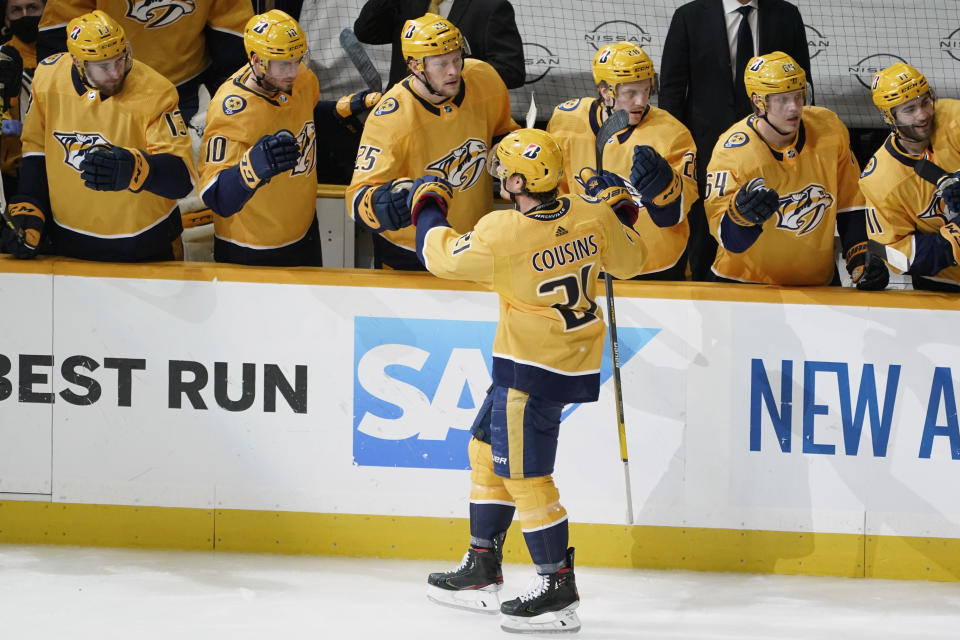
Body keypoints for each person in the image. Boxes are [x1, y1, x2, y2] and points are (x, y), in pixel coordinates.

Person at [410, 128, 647, 634]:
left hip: (532, 369)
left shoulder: (503, 232)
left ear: (519, 179)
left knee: (524, 476)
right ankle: (482, 565)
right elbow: (633, 262)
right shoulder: (591, 213)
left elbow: (439, 257)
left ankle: (557, 586)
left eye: (504, 169)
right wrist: (622, 210)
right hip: (562, 360)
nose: (499, 175)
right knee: (483, 450)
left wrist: (426, 203)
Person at [2, 9, 195, 262]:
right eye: (103, 65)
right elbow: (37, 148)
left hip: (147, 246)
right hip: (70, 244)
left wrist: (136, 168)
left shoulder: (156, 91)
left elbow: (182, 178)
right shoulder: (47, 77)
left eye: (120, 59)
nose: (115, 72)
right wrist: (30, 205)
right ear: (77, 62)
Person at [198, 9, 381, 267]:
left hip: (305, 232)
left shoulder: (301, 79)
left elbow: (306, 115)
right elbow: (216, 196)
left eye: (297, 59)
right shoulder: (231, 110)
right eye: (283, 63)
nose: (293, 71)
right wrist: (250, 170)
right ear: (257, 60)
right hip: (250, 248)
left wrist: (343, 109)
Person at [346, 12, 517, 270]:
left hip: (473, 241)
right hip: (411, 251)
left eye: (457, 59)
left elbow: (503, 133)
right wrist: (384, 206)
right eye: (441, 64)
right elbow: (357, 198)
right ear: (416, 67)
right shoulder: (389, 118)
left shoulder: (485, 79)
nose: (454, 71)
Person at [704, 51, 887, 289]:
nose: (794, 108)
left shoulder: (828, 128)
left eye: (799, 96)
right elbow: (727, 239)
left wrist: (858, 258)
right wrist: (740, 220)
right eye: (782, 100)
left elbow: (850, 200)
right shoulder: (732, 151)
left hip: (816, 282)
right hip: (744, 284)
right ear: (759, 102)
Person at [659, 0, 811, 281]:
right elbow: (671, 92)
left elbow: (804, 88)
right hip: (706, 152)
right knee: (705, 240)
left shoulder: (785, 15)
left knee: (767, 232)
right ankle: (703, 303)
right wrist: (678, 154)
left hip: (770, 152)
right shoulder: (688, 17)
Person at [547, 41, 697, 280]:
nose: (641, 101)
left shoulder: (672, 133)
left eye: (646, 90)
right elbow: (556, 193)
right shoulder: (566, 121)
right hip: (591, 262)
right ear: (606, 91)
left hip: (656, 265)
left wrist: (665, 192)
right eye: (631, 93)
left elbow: (675, 215)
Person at [35, 0, 251, 123]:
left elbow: (234, 39)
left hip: (188, 97)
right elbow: (58, 41)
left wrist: (227, 99)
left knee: (189, 188)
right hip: (108, 96)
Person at [859, 63, 960, 292]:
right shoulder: (879, 179)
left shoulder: (954, 117)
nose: (923, 114)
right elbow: (892, 253)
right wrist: (953, 241)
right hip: (942, 285)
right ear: (890, 117)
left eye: (925, 102)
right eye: (910, 109)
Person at [353, 0, 524, 90]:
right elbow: (366, 32)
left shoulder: (490, 7)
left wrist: (450, 73)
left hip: (458, 120)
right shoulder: (406, 2)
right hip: (400, 114)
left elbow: (511, 71)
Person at [0, 0, 44, 195]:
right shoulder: (2, 59)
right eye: (17, 10)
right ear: (7, 20)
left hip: (63, 165)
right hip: (15, 171)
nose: (25, 15)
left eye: (33, 8)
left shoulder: (69, 55)